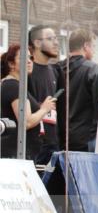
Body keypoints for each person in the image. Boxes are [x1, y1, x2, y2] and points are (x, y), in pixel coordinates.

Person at [1, 45, 56, 160]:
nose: (29, 61)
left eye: (31, 58)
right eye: (23, 58)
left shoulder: (11, 85)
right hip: (18, 155)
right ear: (11, 64)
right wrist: (44, 109)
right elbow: (26, 122)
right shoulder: (14, 86)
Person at [55, 30, 98, 152]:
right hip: (86, 140)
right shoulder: (94, 70)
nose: (93, 50)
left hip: (59, 138)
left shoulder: (56, 68)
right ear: (86, 46)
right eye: (93, 46)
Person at [28, 24, 60, 165]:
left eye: (56, 38)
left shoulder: (55, 71)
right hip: (33, 145)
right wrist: (43, 108)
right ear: (37, 42)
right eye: (51, 38)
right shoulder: (27, 70)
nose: (56, 42)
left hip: (53, 144)